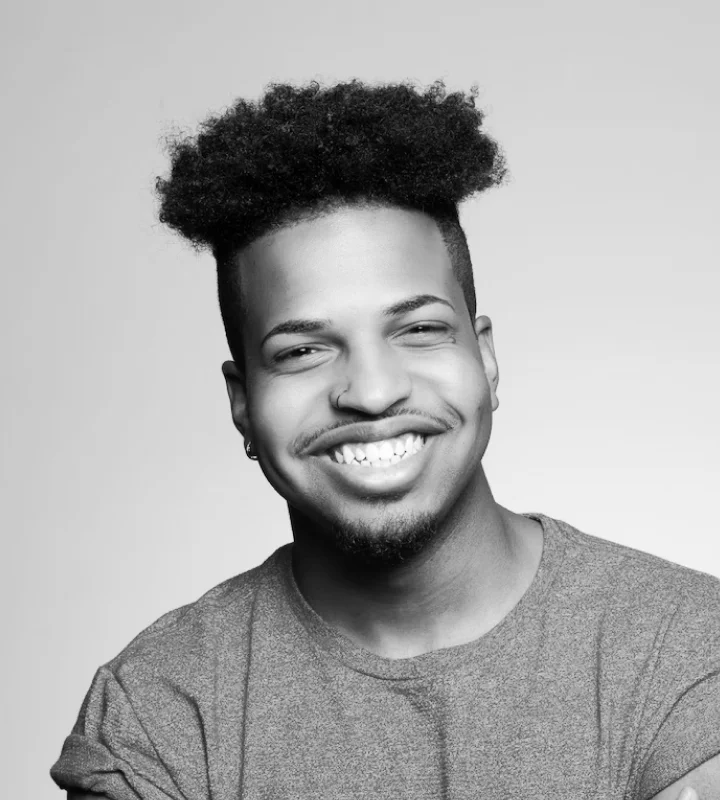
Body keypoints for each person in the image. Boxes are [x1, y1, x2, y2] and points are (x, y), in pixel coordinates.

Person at [51, 80, 719, 800]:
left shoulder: (686, 651)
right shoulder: (161, 715)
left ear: (486, 359)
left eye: (420, 329)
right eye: (302, 351)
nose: (371, 392)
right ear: (243, 402)